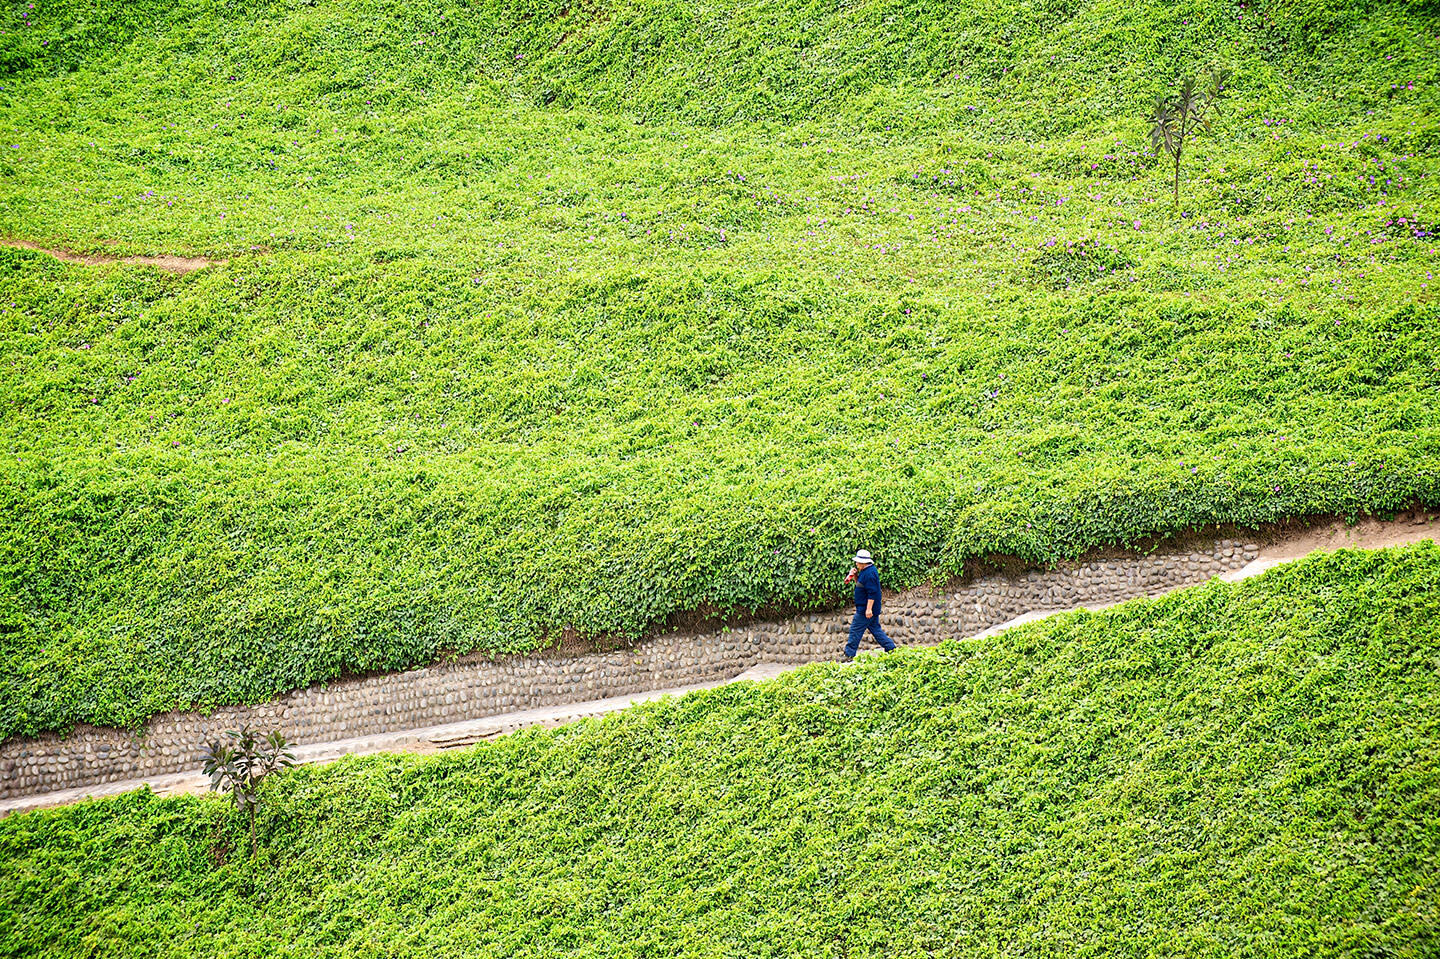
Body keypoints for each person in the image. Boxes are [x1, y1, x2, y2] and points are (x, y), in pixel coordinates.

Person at [843, 549, 896, 661]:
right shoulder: (865, 571)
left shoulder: (870, 573)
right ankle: (891, 648)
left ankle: (849, 654)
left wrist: (868, 609)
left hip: (865, 609)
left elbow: (872, 593)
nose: (856, 564)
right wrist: (855, 576)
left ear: (863, 562)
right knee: (876, 630)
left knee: (855, 630)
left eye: (857, 562)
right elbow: (861, 585)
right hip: (867, 608)